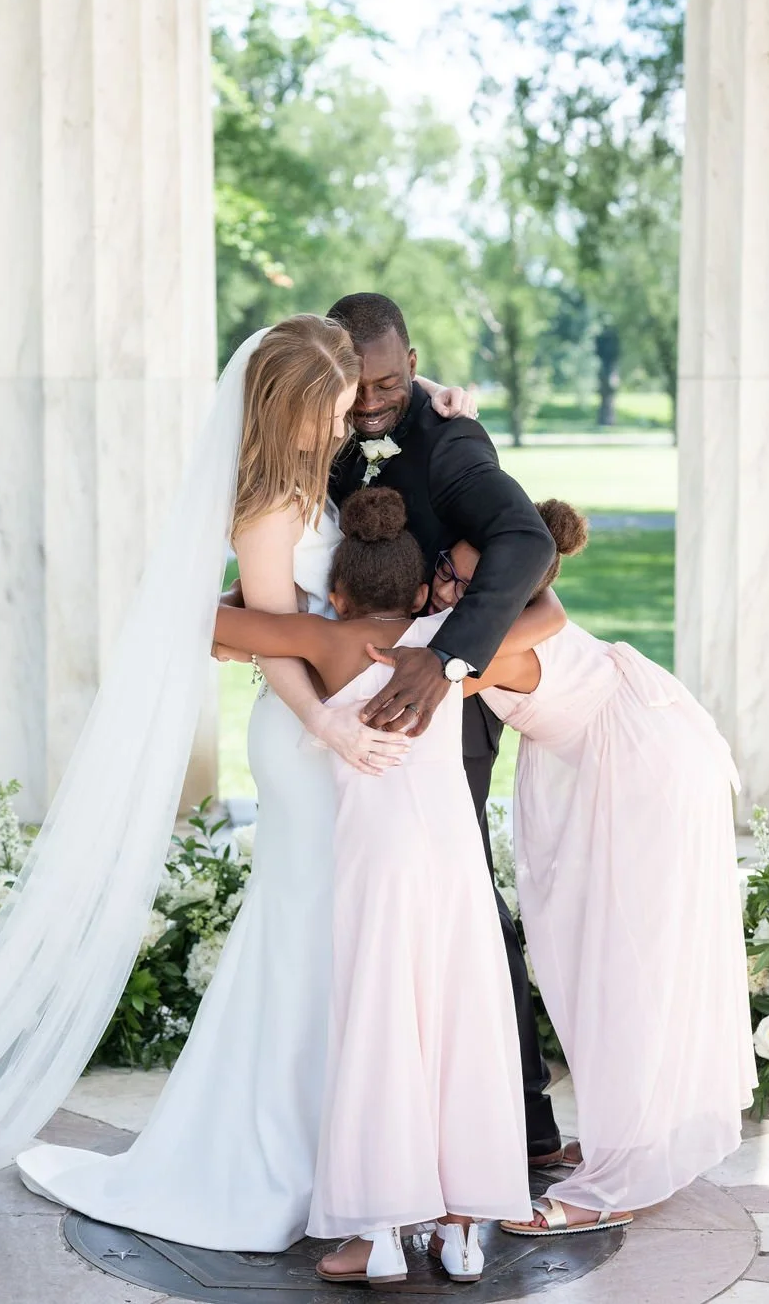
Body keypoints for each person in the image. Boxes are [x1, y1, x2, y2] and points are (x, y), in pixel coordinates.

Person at [14, 316, 477, 1249]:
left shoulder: (322, 472)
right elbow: (274, 645)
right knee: (310, 936)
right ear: (294, 410)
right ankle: (290, 1156)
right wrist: (327, 725)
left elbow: (392, 412)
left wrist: (442, 403)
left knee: (343, 939)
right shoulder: (267, 505)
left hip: (344, 731)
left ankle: (355, 1154)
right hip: (306, 737)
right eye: (337, 408)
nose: (352, 421)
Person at [212, 488, 567, 1285]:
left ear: (337, 591)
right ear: (419, 590)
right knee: (461, 1028)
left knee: (380, 1032)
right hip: (454, 869)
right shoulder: (446, 656)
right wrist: (459, 619)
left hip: (378, 873)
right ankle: (463, 1232)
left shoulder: (327, 642)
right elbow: (550, 613)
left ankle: (376, 1235)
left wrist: (272, 608)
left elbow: (214, 625)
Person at [426, 506, 757, 1238]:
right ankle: (628, 1136)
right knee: (601, 957)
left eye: (453, 574)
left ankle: (620, 1178)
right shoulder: (516, 619)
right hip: (618, 752)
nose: (438, 580)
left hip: (642, 770)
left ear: (500, 592)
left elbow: (387, 668)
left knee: (625, 960)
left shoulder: (495, 647)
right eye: (442, 565)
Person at [326, 292, 563, 1164]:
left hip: (442, 702)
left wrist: (450, 659)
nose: (372, 402)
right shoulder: (316, 429)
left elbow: (525, 541)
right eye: (357, 386)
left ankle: (523, 1122)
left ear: (414, 362)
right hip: (344, 697)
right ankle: (385, 1113)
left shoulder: (452, 438)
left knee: (462, 895)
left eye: (388, 382)